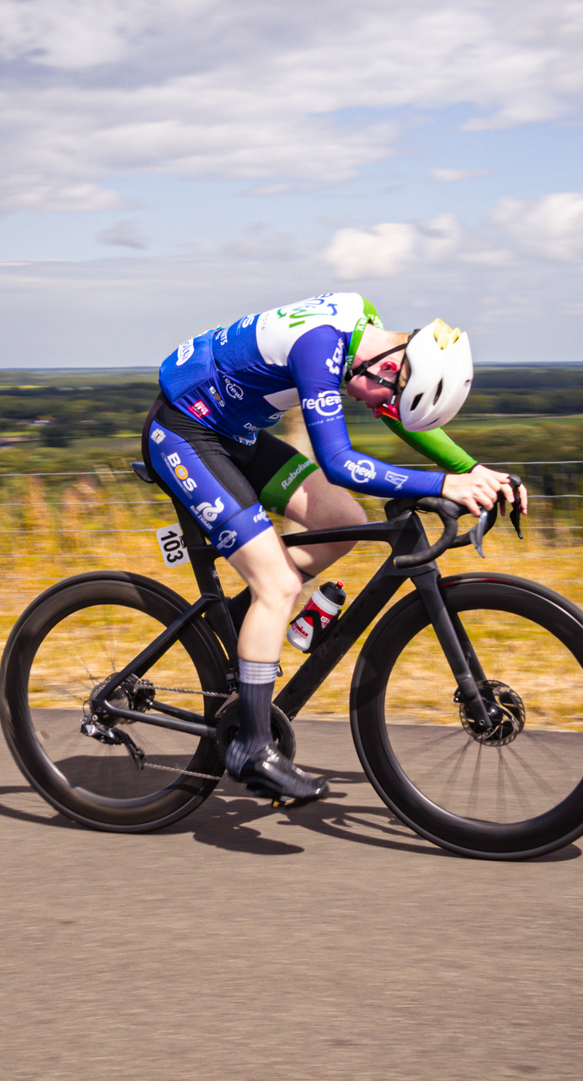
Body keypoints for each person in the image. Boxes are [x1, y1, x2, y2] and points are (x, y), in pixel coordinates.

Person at [147, 291, 525, 806]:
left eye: (388, 405)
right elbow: (339, 463)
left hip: (237, 435)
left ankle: (245, 624)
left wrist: (470, 470)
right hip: (186, 434)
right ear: (393, 363)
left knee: (343, 521)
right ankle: (253, 750)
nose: (376, 410)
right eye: (384, 398)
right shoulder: (319, 346)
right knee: (278, 586)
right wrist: (439, 485)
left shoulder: (366, 332)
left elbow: (387, 413)